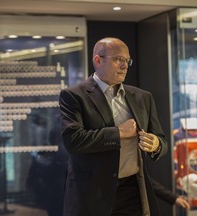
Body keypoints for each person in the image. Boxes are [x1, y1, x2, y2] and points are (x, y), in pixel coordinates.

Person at [59, 37, 168, 216]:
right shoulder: (74, 96)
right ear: (98, 60)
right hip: (93, 193)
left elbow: (162, 140)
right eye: (118, 59)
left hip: (133, 190)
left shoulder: (143, 97)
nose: (124, 66)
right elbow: (73, 141)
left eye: (127, 61)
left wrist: (156, 144)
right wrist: (118, 133)